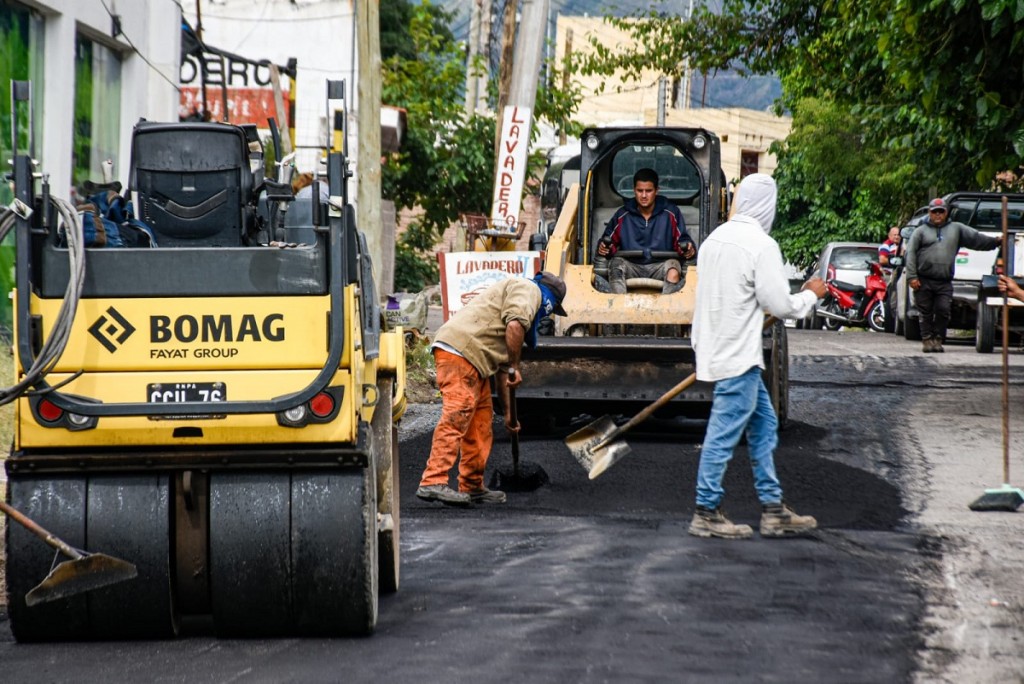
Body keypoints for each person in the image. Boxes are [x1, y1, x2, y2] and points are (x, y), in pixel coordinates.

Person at [690, 173, 828, 540]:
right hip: (738, 356)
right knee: (721, 435)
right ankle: (706, 511)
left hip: (721, 350)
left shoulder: (713, 240)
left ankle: (772, 508)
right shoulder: (761, 245)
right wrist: (812, 293)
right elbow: (780, 305)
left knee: (764, 425)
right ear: (769, 205)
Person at [416, 272, 569, 506]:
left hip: (476, 361)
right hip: (460, 352)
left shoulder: (519, 309)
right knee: (458, 414)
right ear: (550, 302)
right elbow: (516, 324)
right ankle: (432, 481)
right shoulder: (529, 290)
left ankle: (472, 486)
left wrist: (508, 415)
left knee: (480, 424)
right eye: (552, 309)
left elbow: (503, 371)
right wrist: (516, 366)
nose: (547, 315)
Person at [906, 197, 1000, 353]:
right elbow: (910, 254)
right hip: (924, 279)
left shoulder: (956, 229)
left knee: (943, 310)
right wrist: (912, 277)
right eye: (934, 212)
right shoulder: (920, 232)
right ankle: (927, 339)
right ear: (929, 213)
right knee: (925, 312)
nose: (937, 215)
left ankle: (938, 339)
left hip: (944, 280)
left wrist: (995, 242)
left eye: (940, 212)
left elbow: (975, 239)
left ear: (946, 212)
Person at [596, 168, 696, 294]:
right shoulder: (622, 215)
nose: (643, 195)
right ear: (634, 190)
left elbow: (682, 240)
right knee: (616, 266)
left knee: (673, 269)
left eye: (648, 191)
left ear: (656, 191)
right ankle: (621, 310)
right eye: (639, 191)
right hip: (631, 265)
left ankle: (666, 310)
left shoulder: (671, 212)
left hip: (661, 264)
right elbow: (608, 240)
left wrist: (687, 248)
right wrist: (604, 248)